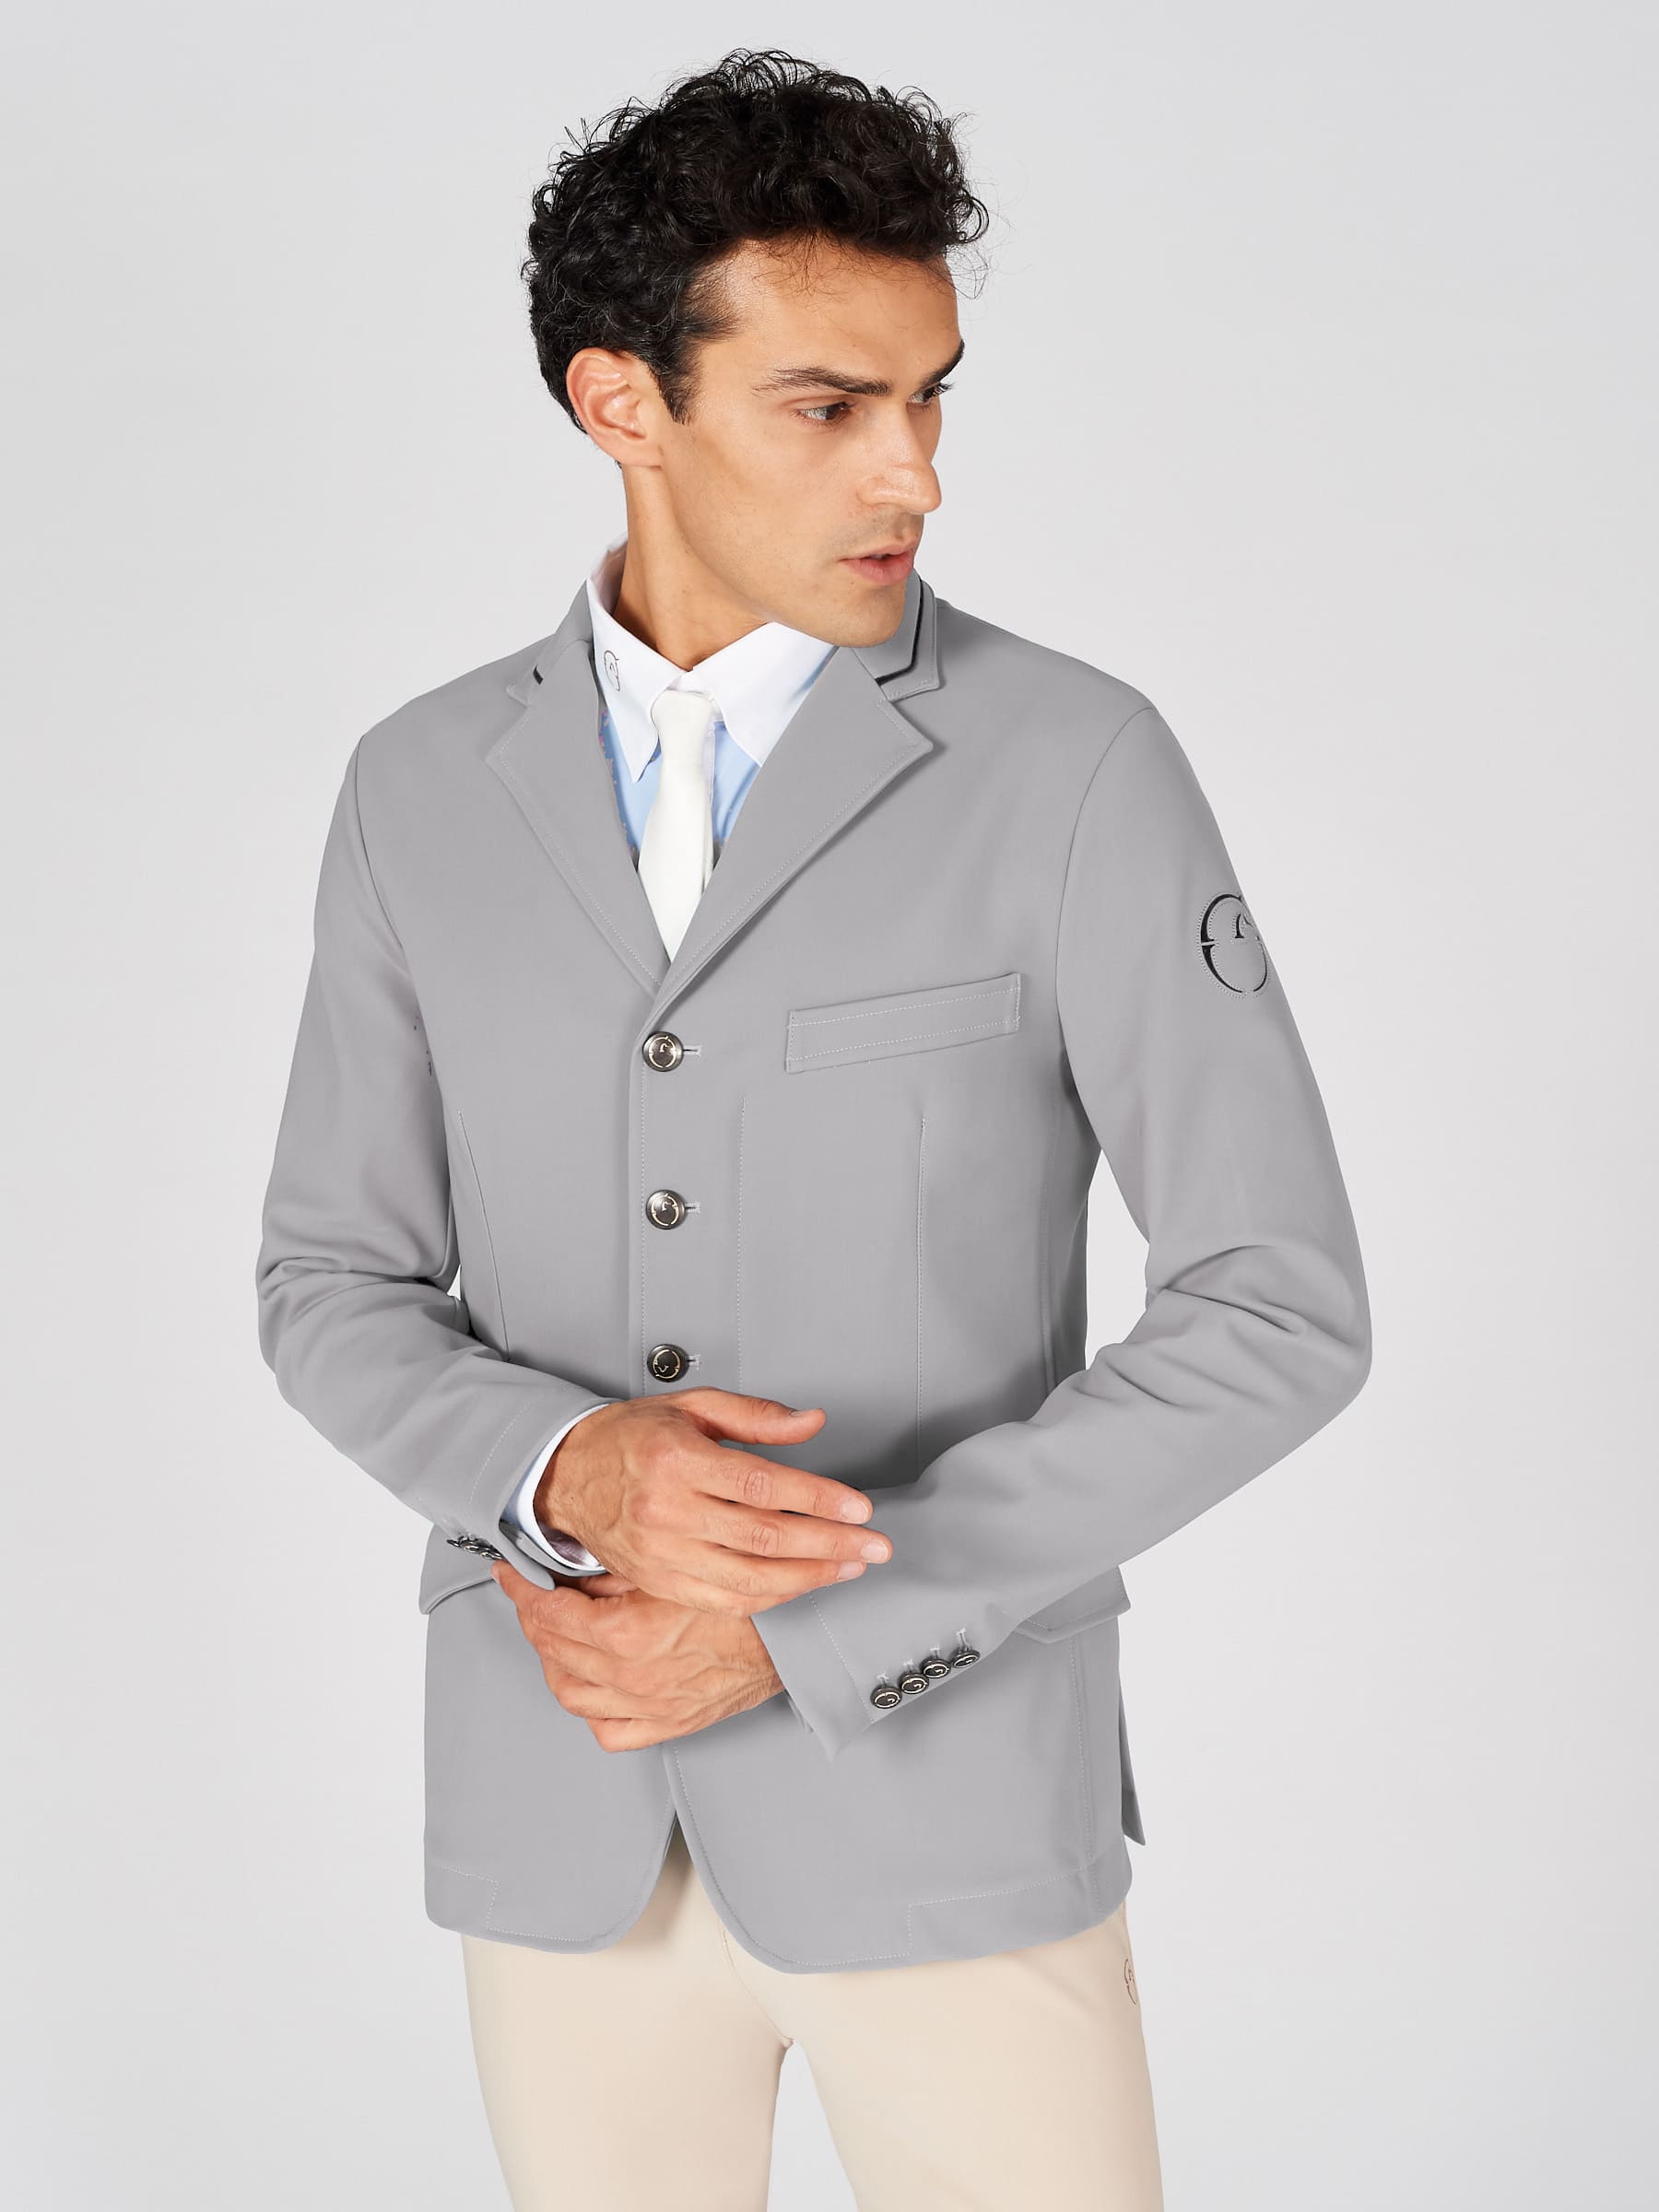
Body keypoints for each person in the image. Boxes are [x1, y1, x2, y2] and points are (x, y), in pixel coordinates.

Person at [254, 46, 1371, 2212]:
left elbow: (1278, 1305)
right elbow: (331, 1280)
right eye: (829, 406)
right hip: (565, 1797)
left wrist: (816, 1621)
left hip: (950, 1812)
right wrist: (561, 1468)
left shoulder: (1075, 766)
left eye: (931, 398)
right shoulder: (415, 791)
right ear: (622, 403)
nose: (914, 472)